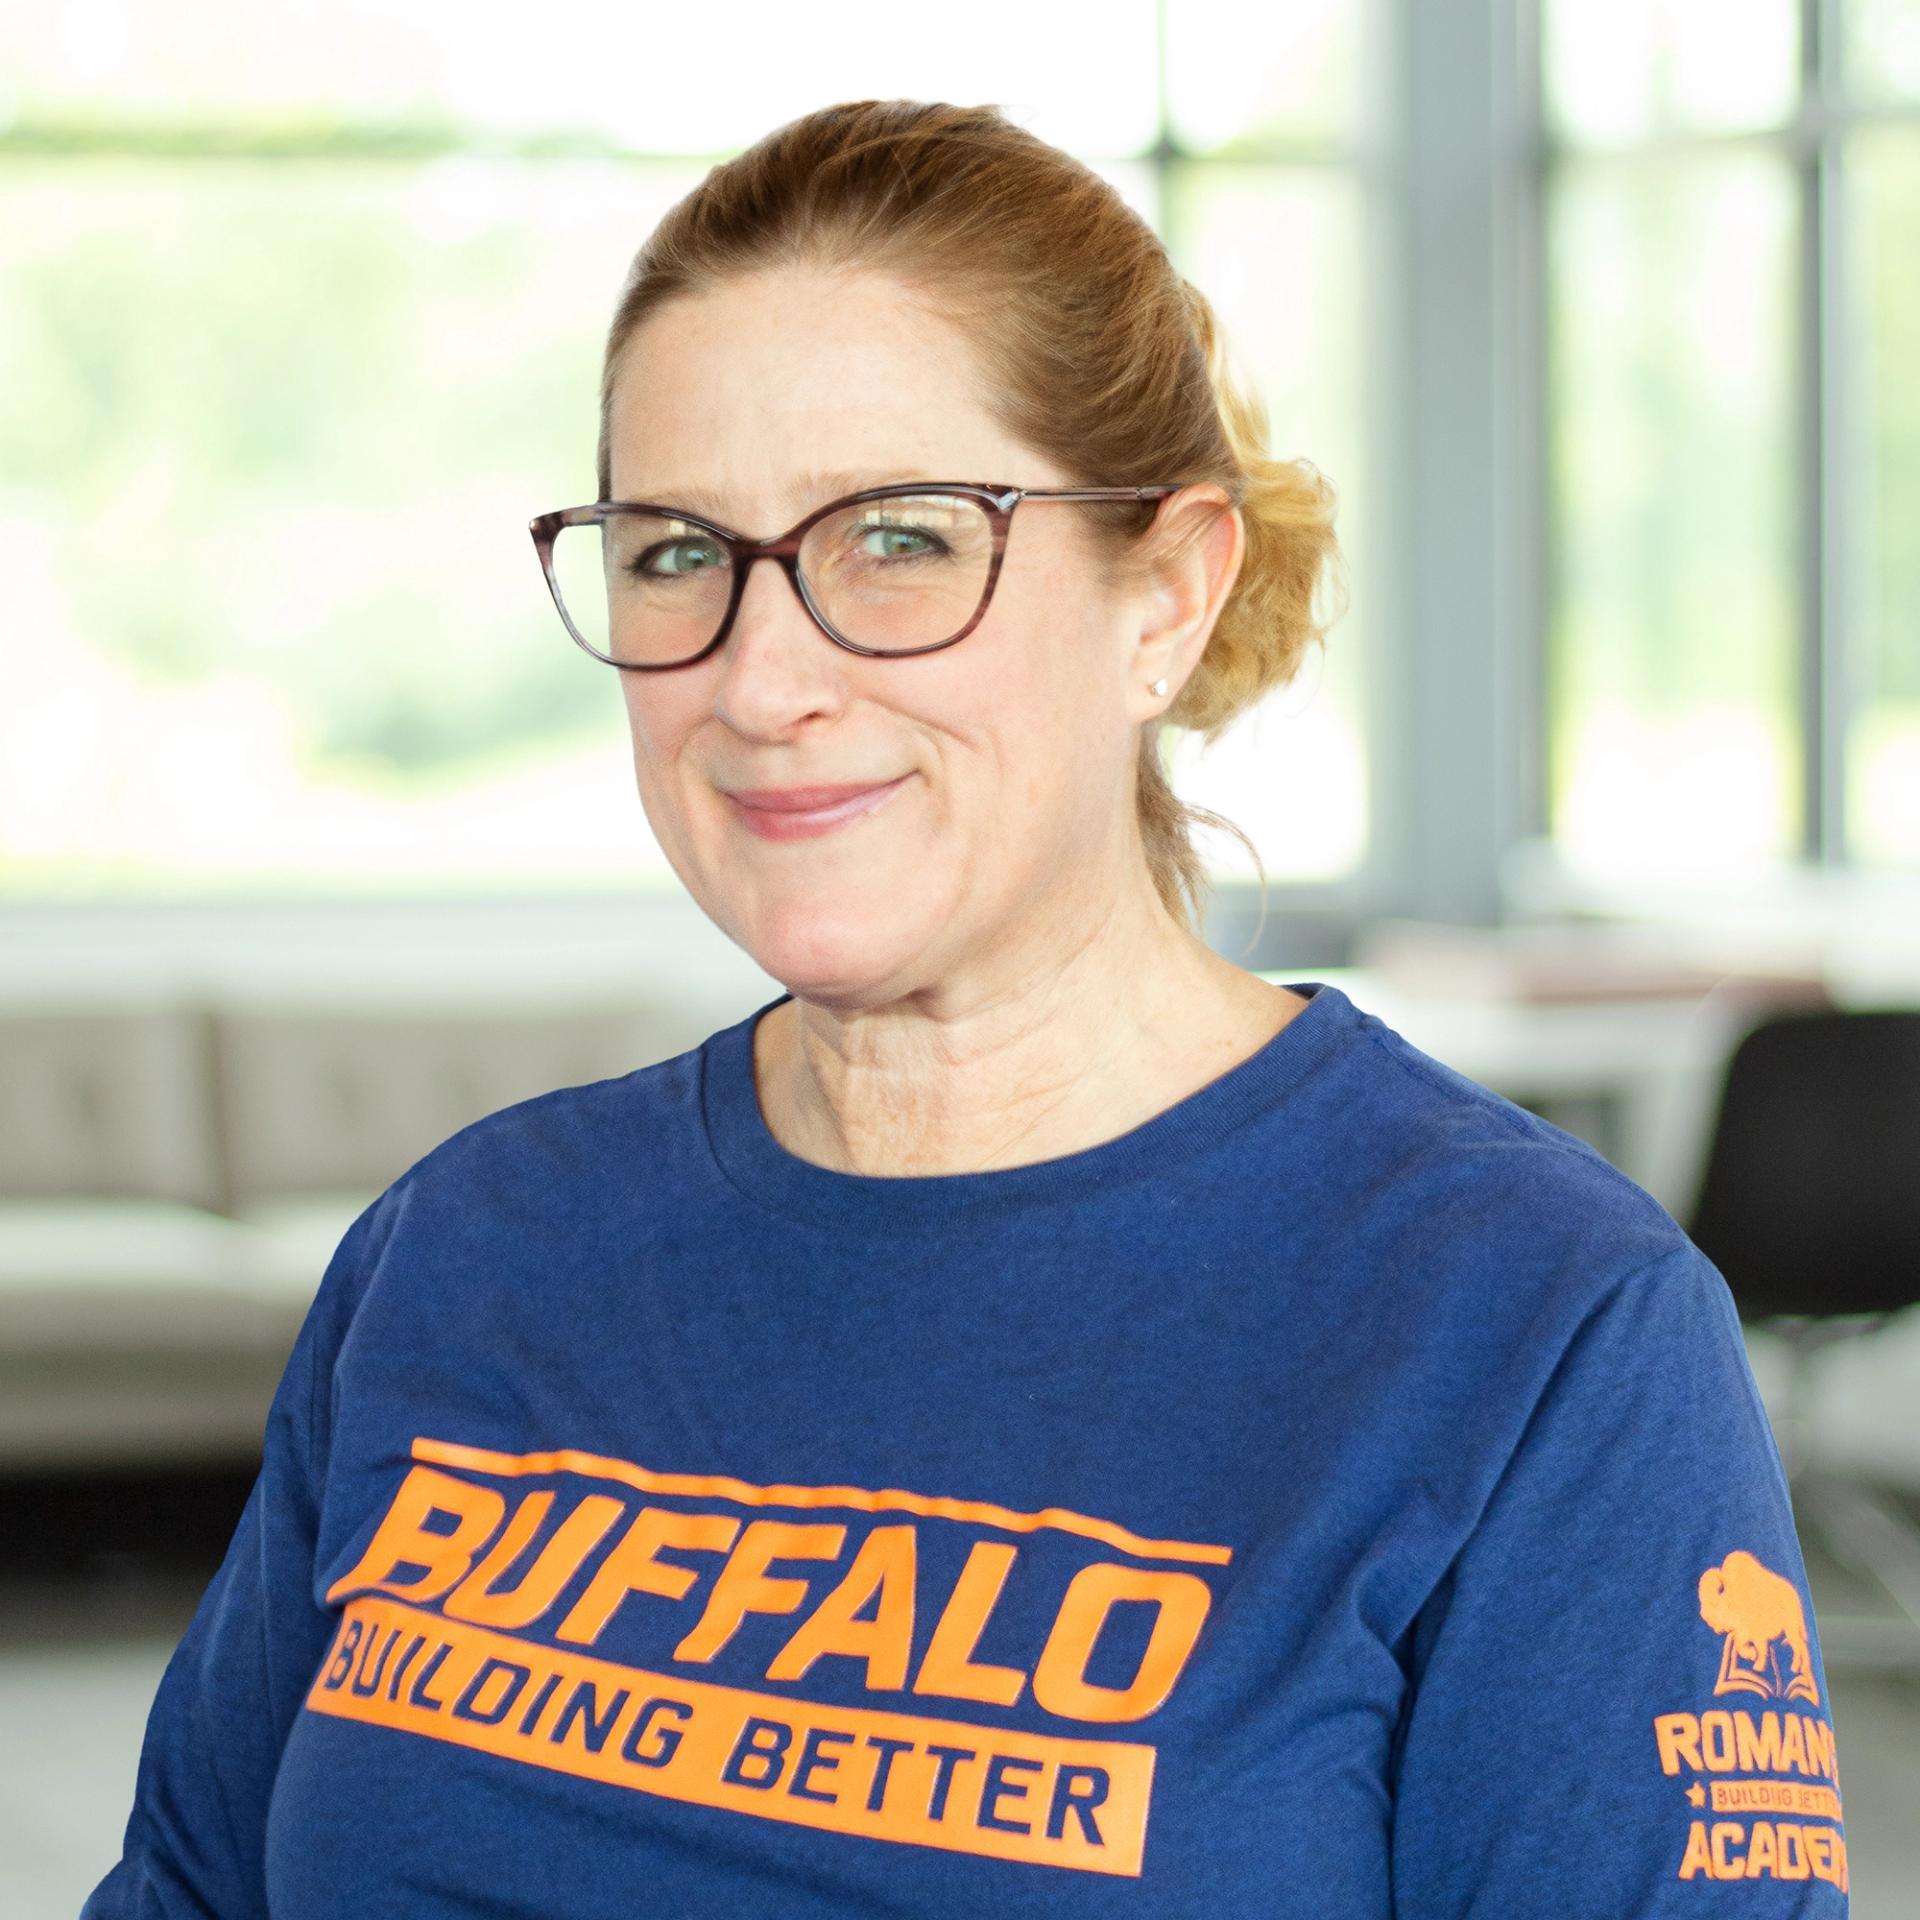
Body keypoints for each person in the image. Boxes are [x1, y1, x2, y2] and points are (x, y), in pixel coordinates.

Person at [85, 99, 1849, 1917]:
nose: (763, 682)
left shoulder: (1532, 1326)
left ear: (1165, 592)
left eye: (903, 541)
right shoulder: (462, 1252)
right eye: (678, 552)